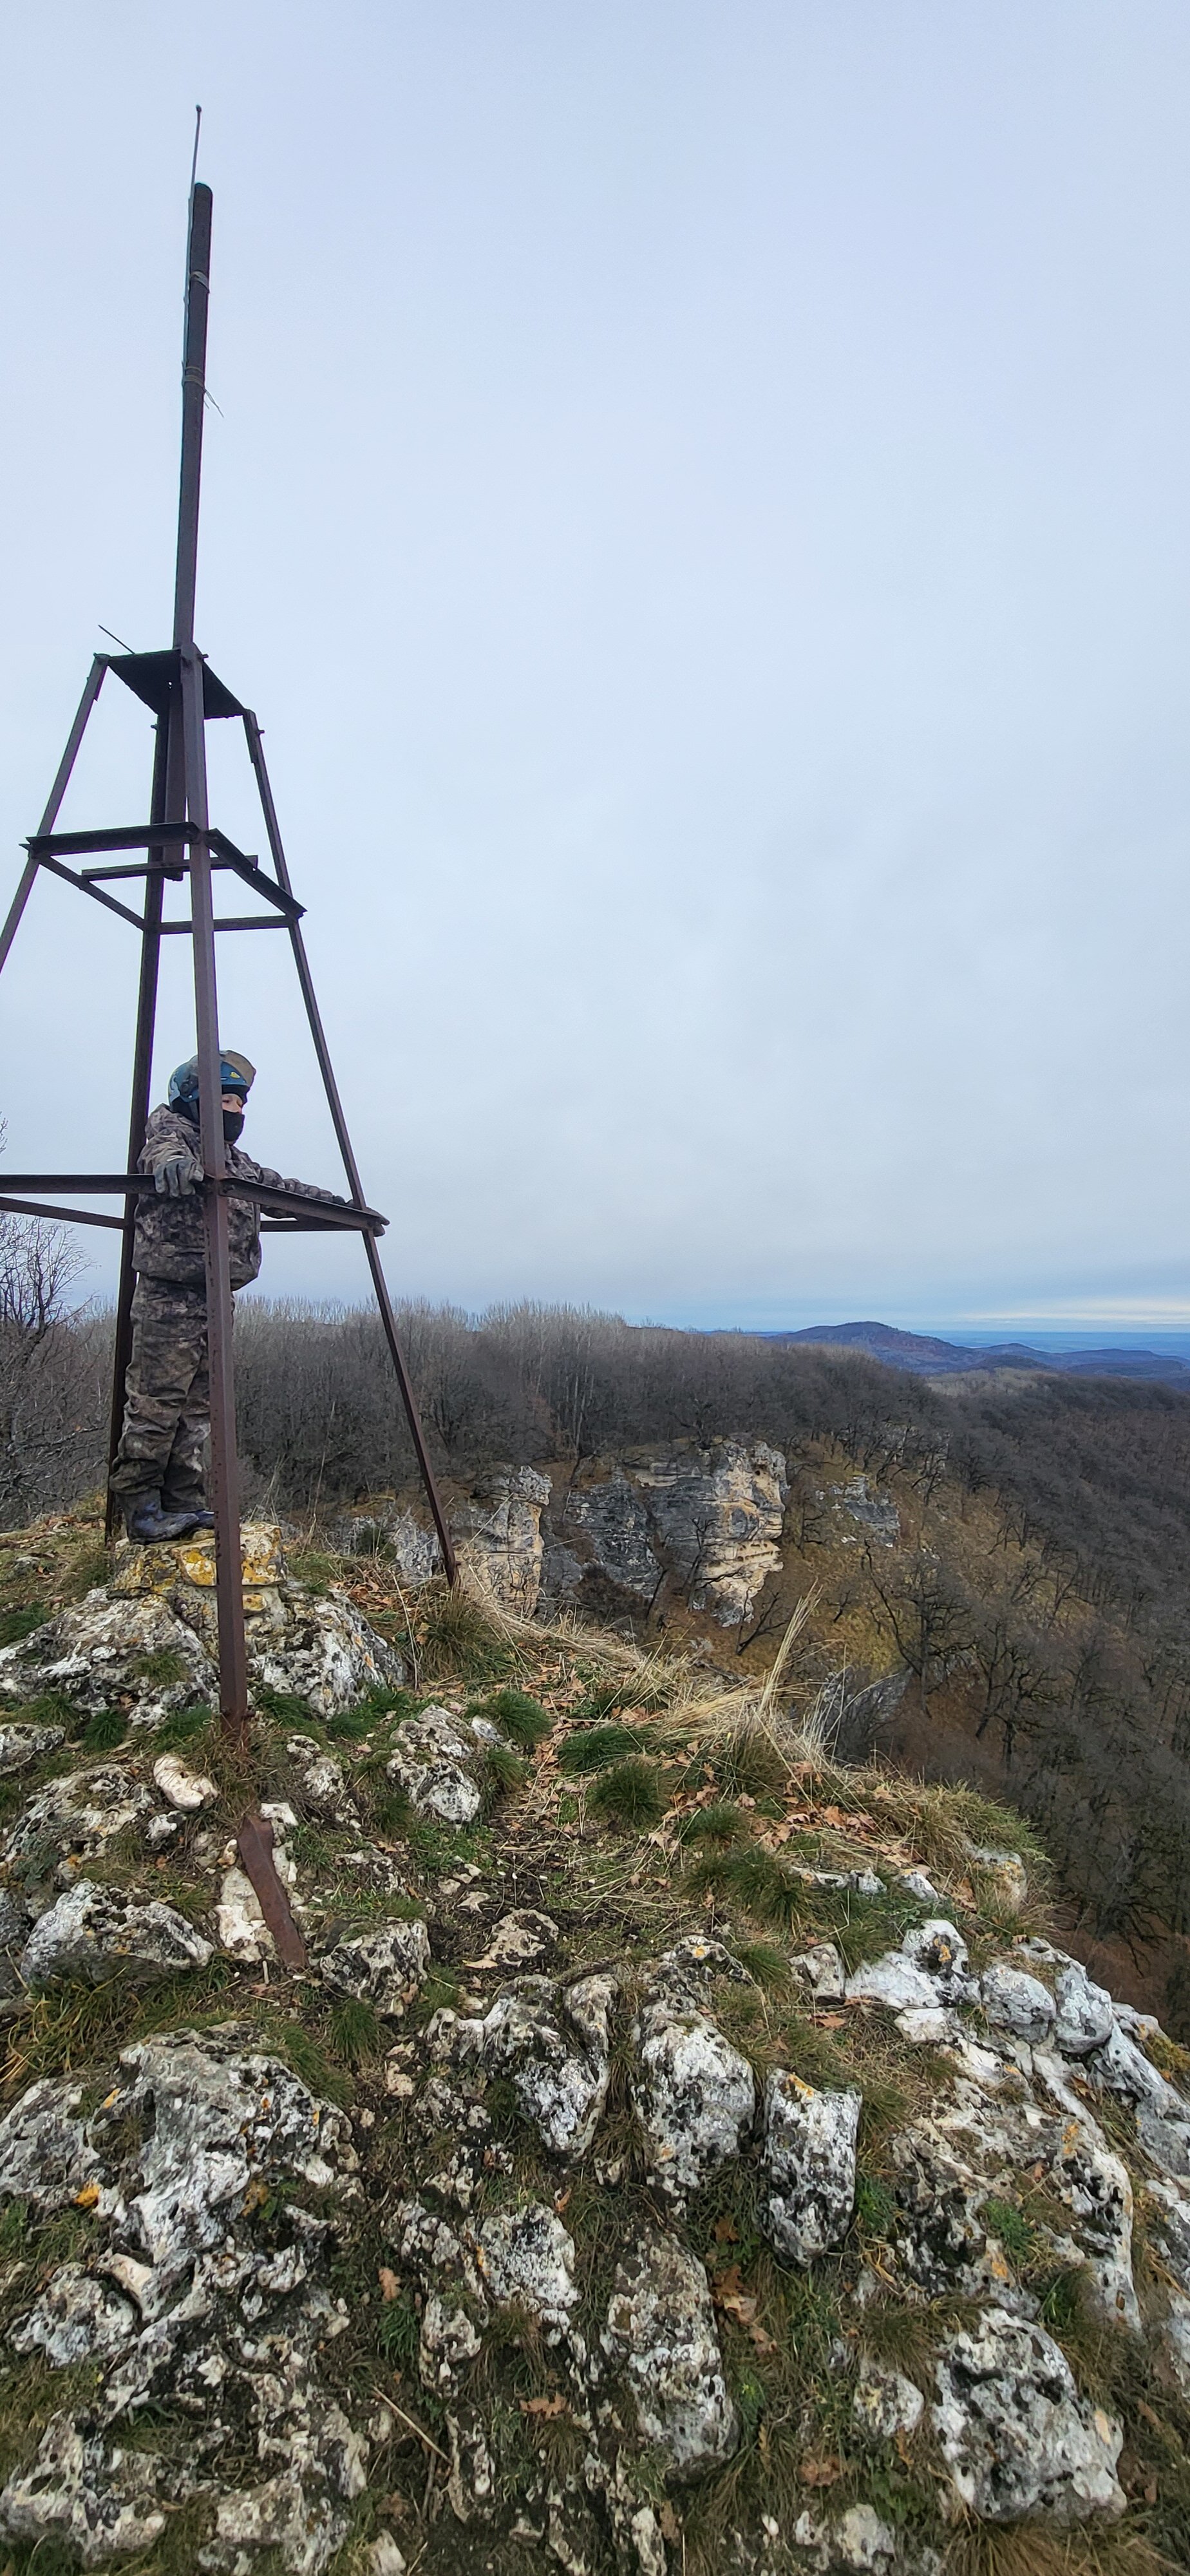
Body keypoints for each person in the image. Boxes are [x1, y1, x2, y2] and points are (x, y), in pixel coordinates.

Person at [109, 1050, 343, 1542]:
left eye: (240, 1103)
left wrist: (339, 1208)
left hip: (217, 1295)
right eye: (226, 1101)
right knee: (157, 1401)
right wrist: (174, 1167)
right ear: (196, 1099)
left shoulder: (233, 1161)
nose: (236, 1111)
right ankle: (141, 1506)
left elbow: (280, 1188)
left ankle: (183, 1500)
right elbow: (160, 1153)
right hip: (171, 1296)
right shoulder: (173, 1134)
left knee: (198, 1406)